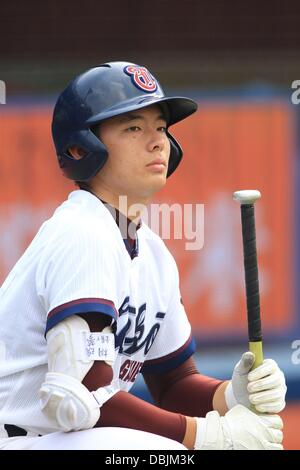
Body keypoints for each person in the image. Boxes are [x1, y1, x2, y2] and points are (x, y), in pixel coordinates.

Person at [0, 61, 286, 450]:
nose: (157, 141)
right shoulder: (83, 232)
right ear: (79, 147)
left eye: (162, 127)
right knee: (164, 452)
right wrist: (208, 434)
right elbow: (80, 398)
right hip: (20, 439)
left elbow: (173, 383)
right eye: (134, 127)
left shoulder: (153, 253)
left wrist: (231, 396)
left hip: (65, 439)